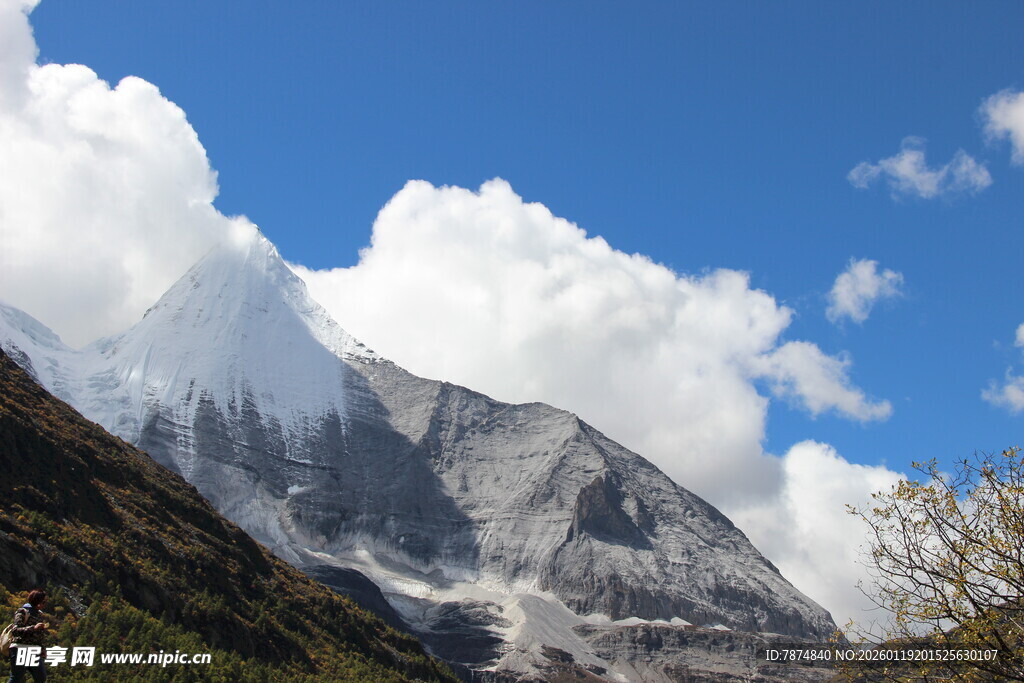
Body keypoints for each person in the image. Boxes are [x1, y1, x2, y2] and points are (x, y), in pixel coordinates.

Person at [7, 590, 48, 683]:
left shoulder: (39, 614)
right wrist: (34, 628)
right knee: (17, 678)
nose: (45, 604)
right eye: (43, 602)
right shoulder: (22, 611)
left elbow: (39, 635)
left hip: (34, 650)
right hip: (20, 649)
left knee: (41, 677)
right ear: (37, 601)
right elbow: (15, 630)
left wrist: (42, 649)